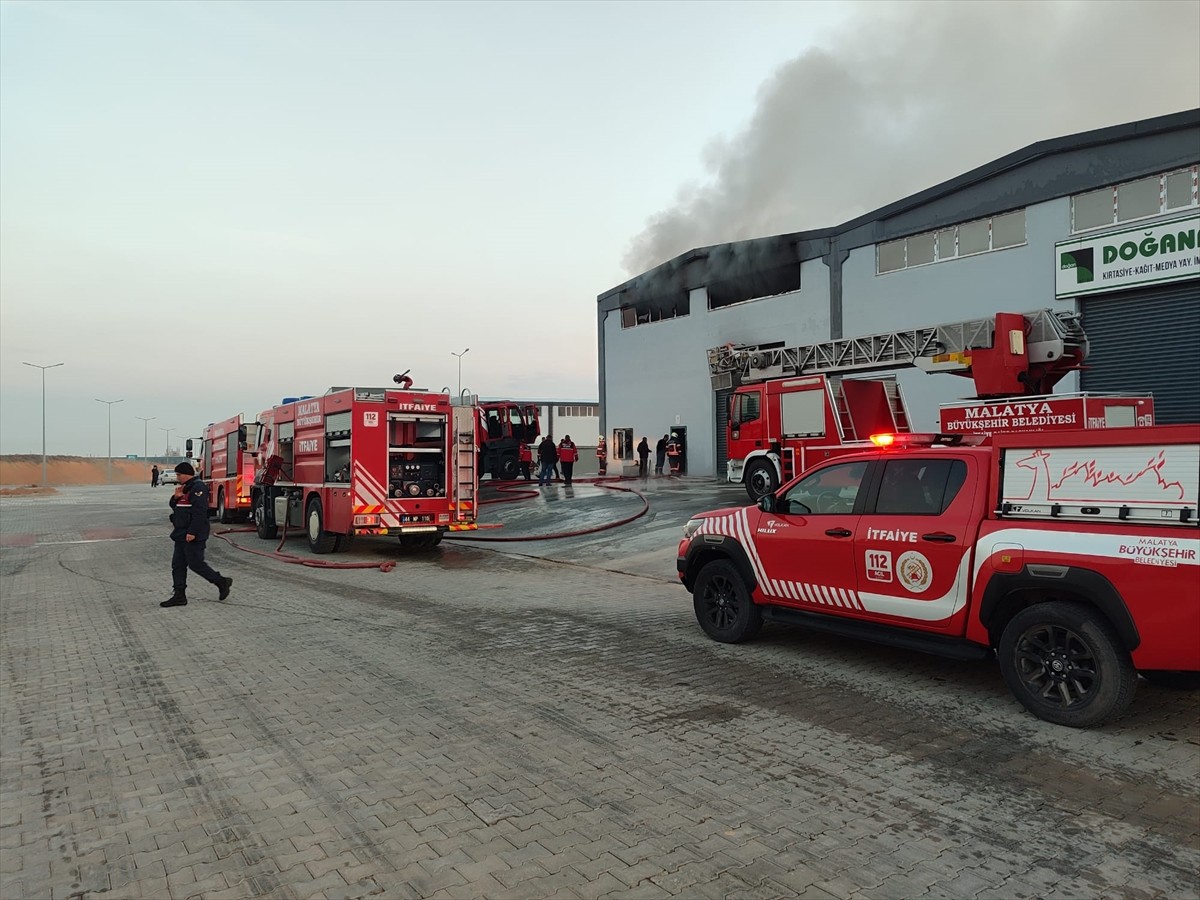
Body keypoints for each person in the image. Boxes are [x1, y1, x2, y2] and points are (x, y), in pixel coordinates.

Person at [162, 462, 232, 608]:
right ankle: (179, 595)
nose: (177, 477)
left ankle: (221, 582)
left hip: (192, 534)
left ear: (187, 474)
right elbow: (175, 505)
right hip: (180, 533)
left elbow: (200, 513)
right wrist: (175, 497)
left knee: (196, 564)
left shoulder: (198, 487)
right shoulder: (184, 488)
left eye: (179, 475)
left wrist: (192, 532)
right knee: (178, 565)